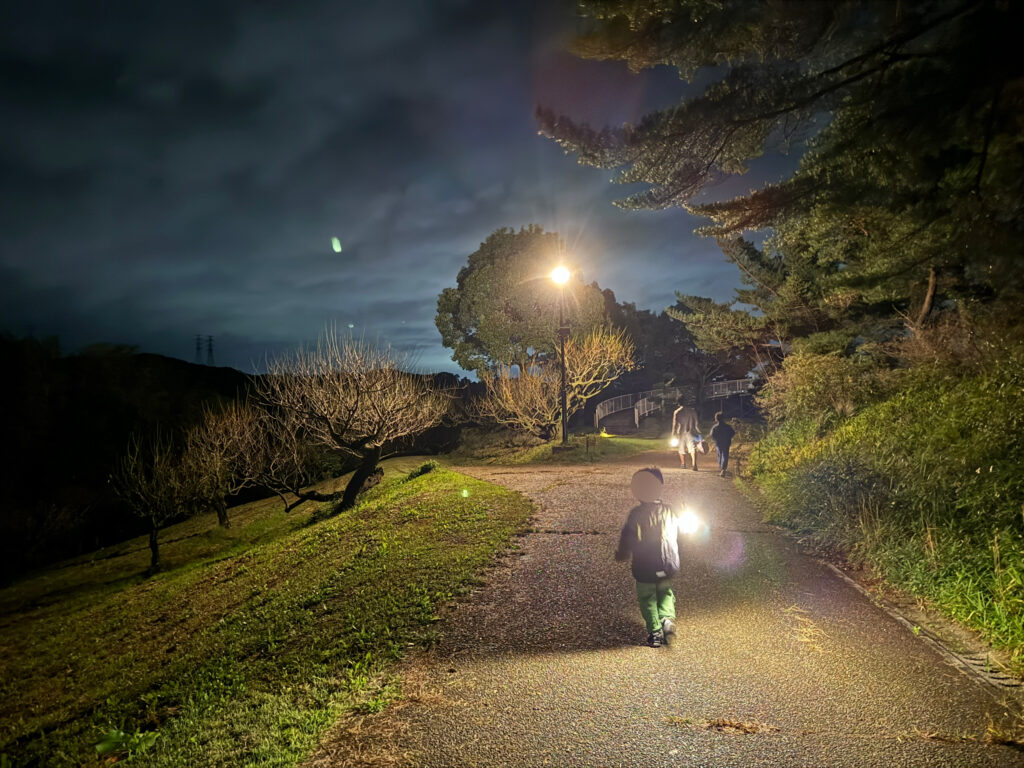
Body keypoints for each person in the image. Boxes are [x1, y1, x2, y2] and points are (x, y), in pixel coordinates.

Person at [615, 467, 680, 647]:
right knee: (665, 592)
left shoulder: (636, 514)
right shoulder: (671, 510)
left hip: (644, 566)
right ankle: (667, 619)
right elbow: (685, 530)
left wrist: (622, 553)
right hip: (668, 563)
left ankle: (655, 632)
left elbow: (627, 537)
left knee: (647, 597)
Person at [671, 397, 701, 471]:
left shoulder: (677, 412)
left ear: (678, 403)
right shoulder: (692, 411)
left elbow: (675, 424)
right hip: (691, 431)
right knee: (692, 448)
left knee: (681, 449)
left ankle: (683, 464)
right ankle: (694, 464)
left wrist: (673, 434)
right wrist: (699, 433)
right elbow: (697, 423)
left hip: (681, 432)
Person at [709, 411, 736, 477]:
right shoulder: (728, 427)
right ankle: (723, 468)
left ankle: (721, 467)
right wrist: (729, 437)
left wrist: (715, 439)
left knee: (720, 454)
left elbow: (712, 435)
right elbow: (733, 433)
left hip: (718, 443)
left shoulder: (715, 427)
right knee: (725, 455)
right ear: (724, 418)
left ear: (716, 419)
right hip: (726, 442)